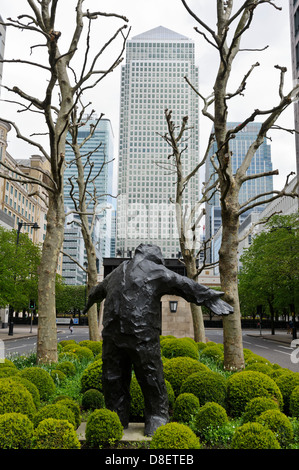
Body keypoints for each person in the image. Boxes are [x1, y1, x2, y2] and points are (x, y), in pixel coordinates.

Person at [84, 244, 233, 436]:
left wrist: (209, 297)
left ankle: (142, 416)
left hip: (123, 335)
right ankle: (141, 417)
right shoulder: (151, 269)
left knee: (131, 376)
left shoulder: (119, 271)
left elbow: (97, 291)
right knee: (139, 376)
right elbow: (184, 283)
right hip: (131, 335)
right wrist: (209, 297)